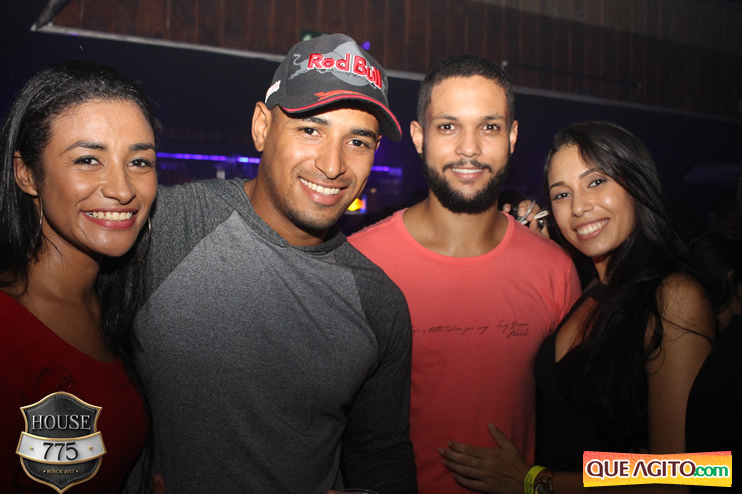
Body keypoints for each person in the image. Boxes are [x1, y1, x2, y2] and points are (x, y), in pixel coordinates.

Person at [130, 34, 416, 493]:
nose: (333, 165)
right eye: (310, 130)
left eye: (357, 141)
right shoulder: (166, 227)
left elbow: (380, 452)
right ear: (262, 127)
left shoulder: (379, 303)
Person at [437, 121, 715, 494]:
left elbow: (694, 473)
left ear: (637, 184)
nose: (579, 207)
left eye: (596, 182)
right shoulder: (593, 292)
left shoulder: (673, 296)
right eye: (562, 194)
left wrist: (535, 480)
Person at [349, 54, 580, 493]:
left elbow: (578, 423)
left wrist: (538, 481)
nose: (469, 148)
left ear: (512, 137)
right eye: (448, 127)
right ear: (419, 137)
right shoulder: (359, 262)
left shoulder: (555, 269)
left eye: (489, 127)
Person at [0, 60, 159, 492]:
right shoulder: (9, 333)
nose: (122, 189)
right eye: (88, 159)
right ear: (26, 173)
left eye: (139, 161)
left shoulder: (117, 304)